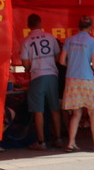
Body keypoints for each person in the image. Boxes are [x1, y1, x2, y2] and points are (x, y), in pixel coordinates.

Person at [19, 13, 62, 150]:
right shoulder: (50, 37)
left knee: (38, 110)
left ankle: (41, 142)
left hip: (37, 76)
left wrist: (33, 66)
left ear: (28, 25)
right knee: (55, 108)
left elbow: (25, 64)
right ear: (41, 23)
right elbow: (58, 57)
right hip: (52, 75)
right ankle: (58, 138)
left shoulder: (26, 41)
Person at [59, 15, 94, 151]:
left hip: (71, 79)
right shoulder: (93, 41)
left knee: (76, 114)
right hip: (87, 79)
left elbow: (61, 61)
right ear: (90, 28)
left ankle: (71, 143)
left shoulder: (69, 40)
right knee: (92, 113)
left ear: (78, 26)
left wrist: (71, 65)